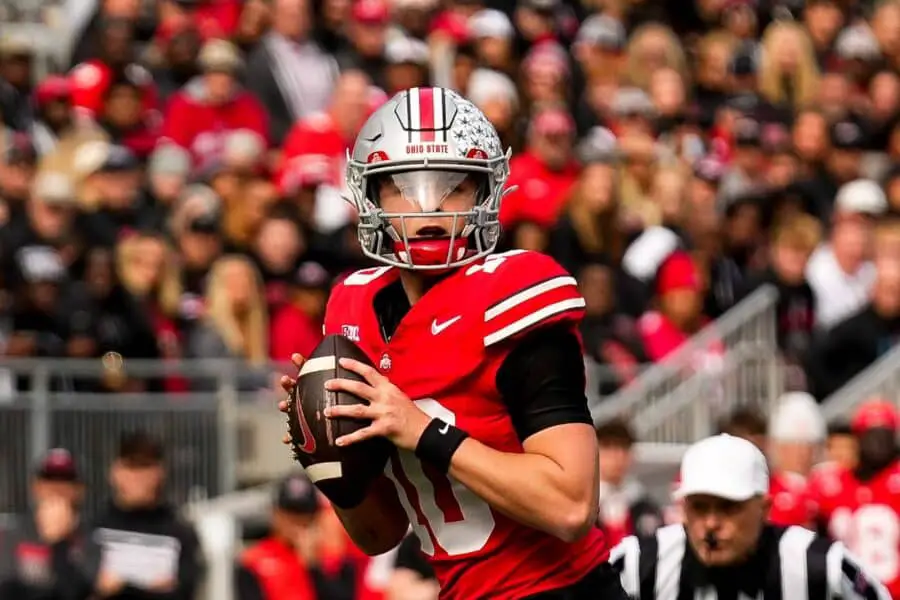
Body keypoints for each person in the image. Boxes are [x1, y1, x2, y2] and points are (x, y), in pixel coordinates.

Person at [278, 87, 623, 599]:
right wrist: (329, 462)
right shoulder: (351, 308)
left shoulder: (514, 291)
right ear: (369, 197)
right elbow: (379, 534)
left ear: (485, 192)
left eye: (452, 186)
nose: (428, 209)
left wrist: (421, 430)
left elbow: (571, 506)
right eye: (402, 187)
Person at [609, 434, 890, 600]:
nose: (710, 523)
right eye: (699, 507)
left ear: (764, 508)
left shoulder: (821, 565)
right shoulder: (637, 563)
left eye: (728, 507)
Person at [83, 431, 204, 599]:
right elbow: (85, 585)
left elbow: (184, 591)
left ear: (160, 473)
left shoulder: (180, 533)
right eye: (131, 466)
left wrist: (119, 588)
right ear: (115, 472)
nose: (138, 477)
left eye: (145, 466)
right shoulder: (94, 528)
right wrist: (153, 589)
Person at [811, 399, 900, 598]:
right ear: (857, 438)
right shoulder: (831, 483)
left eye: (884, 434)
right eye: (871, 434)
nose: (878, 442)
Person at [237, 472, 361, 600]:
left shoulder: (336, 559)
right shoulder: (253, 561)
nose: (297, 523)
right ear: (276, 514)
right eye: (290, 515)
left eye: (304, 516)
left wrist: (313, 566)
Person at [0, 448, 91, 600]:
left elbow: (77, 592)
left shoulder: (92, 538)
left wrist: (59, 541)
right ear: (36, 487)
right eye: (49, 480)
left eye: (65, 480)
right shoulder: (12, 534)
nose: (56, 489)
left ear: (79, 490)